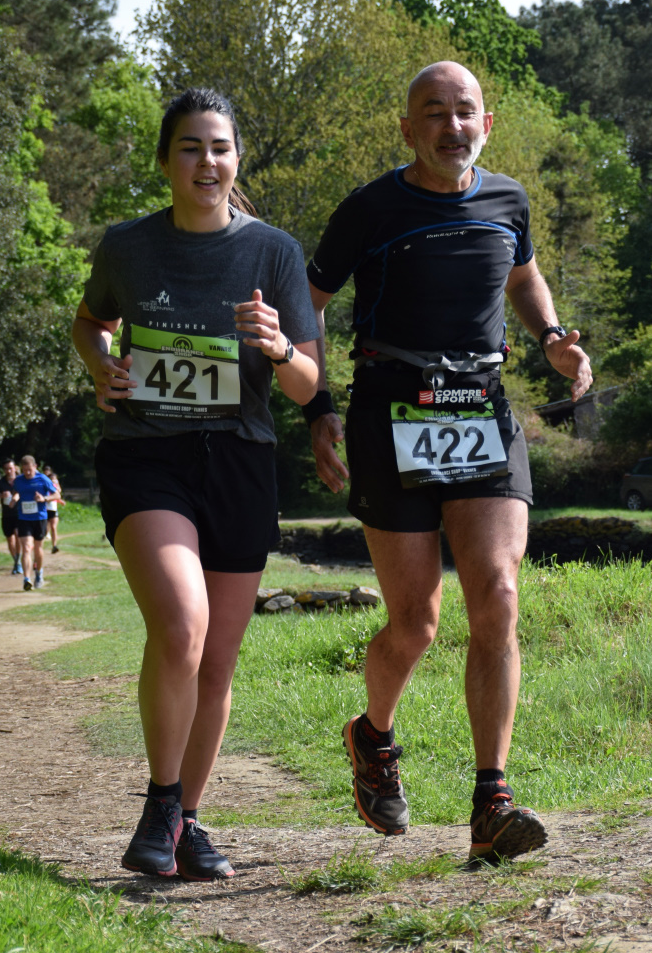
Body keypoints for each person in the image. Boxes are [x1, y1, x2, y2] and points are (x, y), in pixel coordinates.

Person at [304, 62, 592, 862]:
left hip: (479, 406)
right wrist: (318, 405)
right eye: (433, 113)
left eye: (464, 112)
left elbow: (524, 276)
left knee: (497, 592)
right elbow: (307, 305)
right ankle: (373, 738)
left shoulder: (508, 200)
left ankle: (491, 801)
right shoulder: (369, 208)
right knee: (416, 623)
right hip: (389, 411)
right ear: (408, 129)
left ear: (486, 124)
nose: (451, 126)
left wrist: (551, 337)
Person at [72, 87, 320, 881]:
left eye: (219, 148)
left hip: (239, 460)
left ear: (236, 160)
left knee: (216, 661)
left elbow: (309, 385)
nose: (206, 162)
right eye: (190, 147)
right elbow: (90, 321)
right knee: (182, 626)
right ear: (165, 160)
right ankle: (161, 802)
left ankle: (185, 822)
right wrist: (101, 366)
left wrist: (280, 348)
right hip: (148, 456)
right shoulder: (127, 246)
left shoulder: (274, 252)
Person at [11, 456, 57, 591]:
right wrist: (14, 498)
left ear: (35, 466)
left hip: (39, 519)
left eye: (29, 470)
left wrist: (44, 498)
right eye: (24, 470)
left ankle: (39, 573)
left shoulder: (43, 479)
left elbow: (57, 495)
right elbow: (16, 492)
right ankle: (26, 579)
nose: (27, 473)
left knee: (38, 548)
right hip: (24, 519)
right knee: (26, 548)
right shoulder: (18, 480)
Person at [0, 459, 23, 574]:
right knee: (10, 540)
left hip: (19, 514)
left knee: (18, 536)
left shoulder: (21, 480)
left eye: (10, 468)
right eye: (6, 469)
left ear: (15, 468)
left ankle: (18, 562)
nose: (9, 471)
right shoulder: (0, 483)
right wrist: (1, 495)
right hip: (7, 515)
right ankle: (16, 562)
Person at [44, 466, 66, 553]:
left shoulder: (55, 488)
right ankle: (38, 546)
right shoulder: (46, 487)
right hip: (45, 509)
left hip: (53, 509)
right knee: (44, 529)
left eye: (55, 480)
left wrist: (60, 501)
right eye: (52, 480)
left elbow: (57, 496)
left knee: (53, 527)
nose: (54, 481)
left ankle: (54, 546)